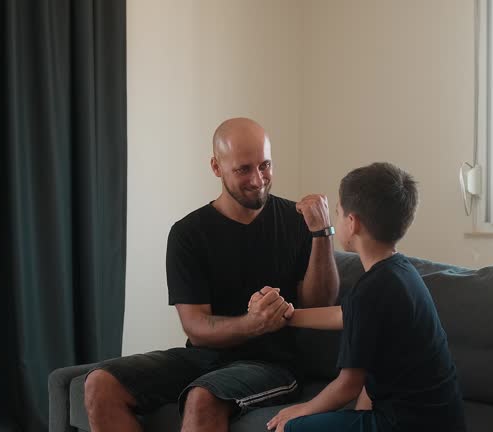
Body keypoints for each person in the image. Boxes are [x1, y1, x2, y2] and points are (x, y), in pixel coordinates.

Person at [84, 117, 339, 432]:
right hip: (205, 357)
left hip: (275, 365)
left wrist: (322, 233)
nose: (258, 180)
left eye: (265, 166)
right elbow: (196, 329)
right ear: (216, 167)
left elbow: (319, 303)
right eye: (243, 169)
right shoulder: (188, 233)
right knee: (100, 384)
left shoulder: (297, 220)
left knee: (203, 396)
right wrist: (254, 322)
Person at [264, 162, 466, 432]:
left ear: (352, 223)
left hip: (404, 424)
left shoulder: (371, 291)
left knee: (290, 428)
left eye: (337, 212)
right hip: (442, 420)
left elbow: (347, 386)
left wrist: (299, 410)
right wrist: (289, 316)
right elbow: (346, 314)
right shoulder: (401, 271)